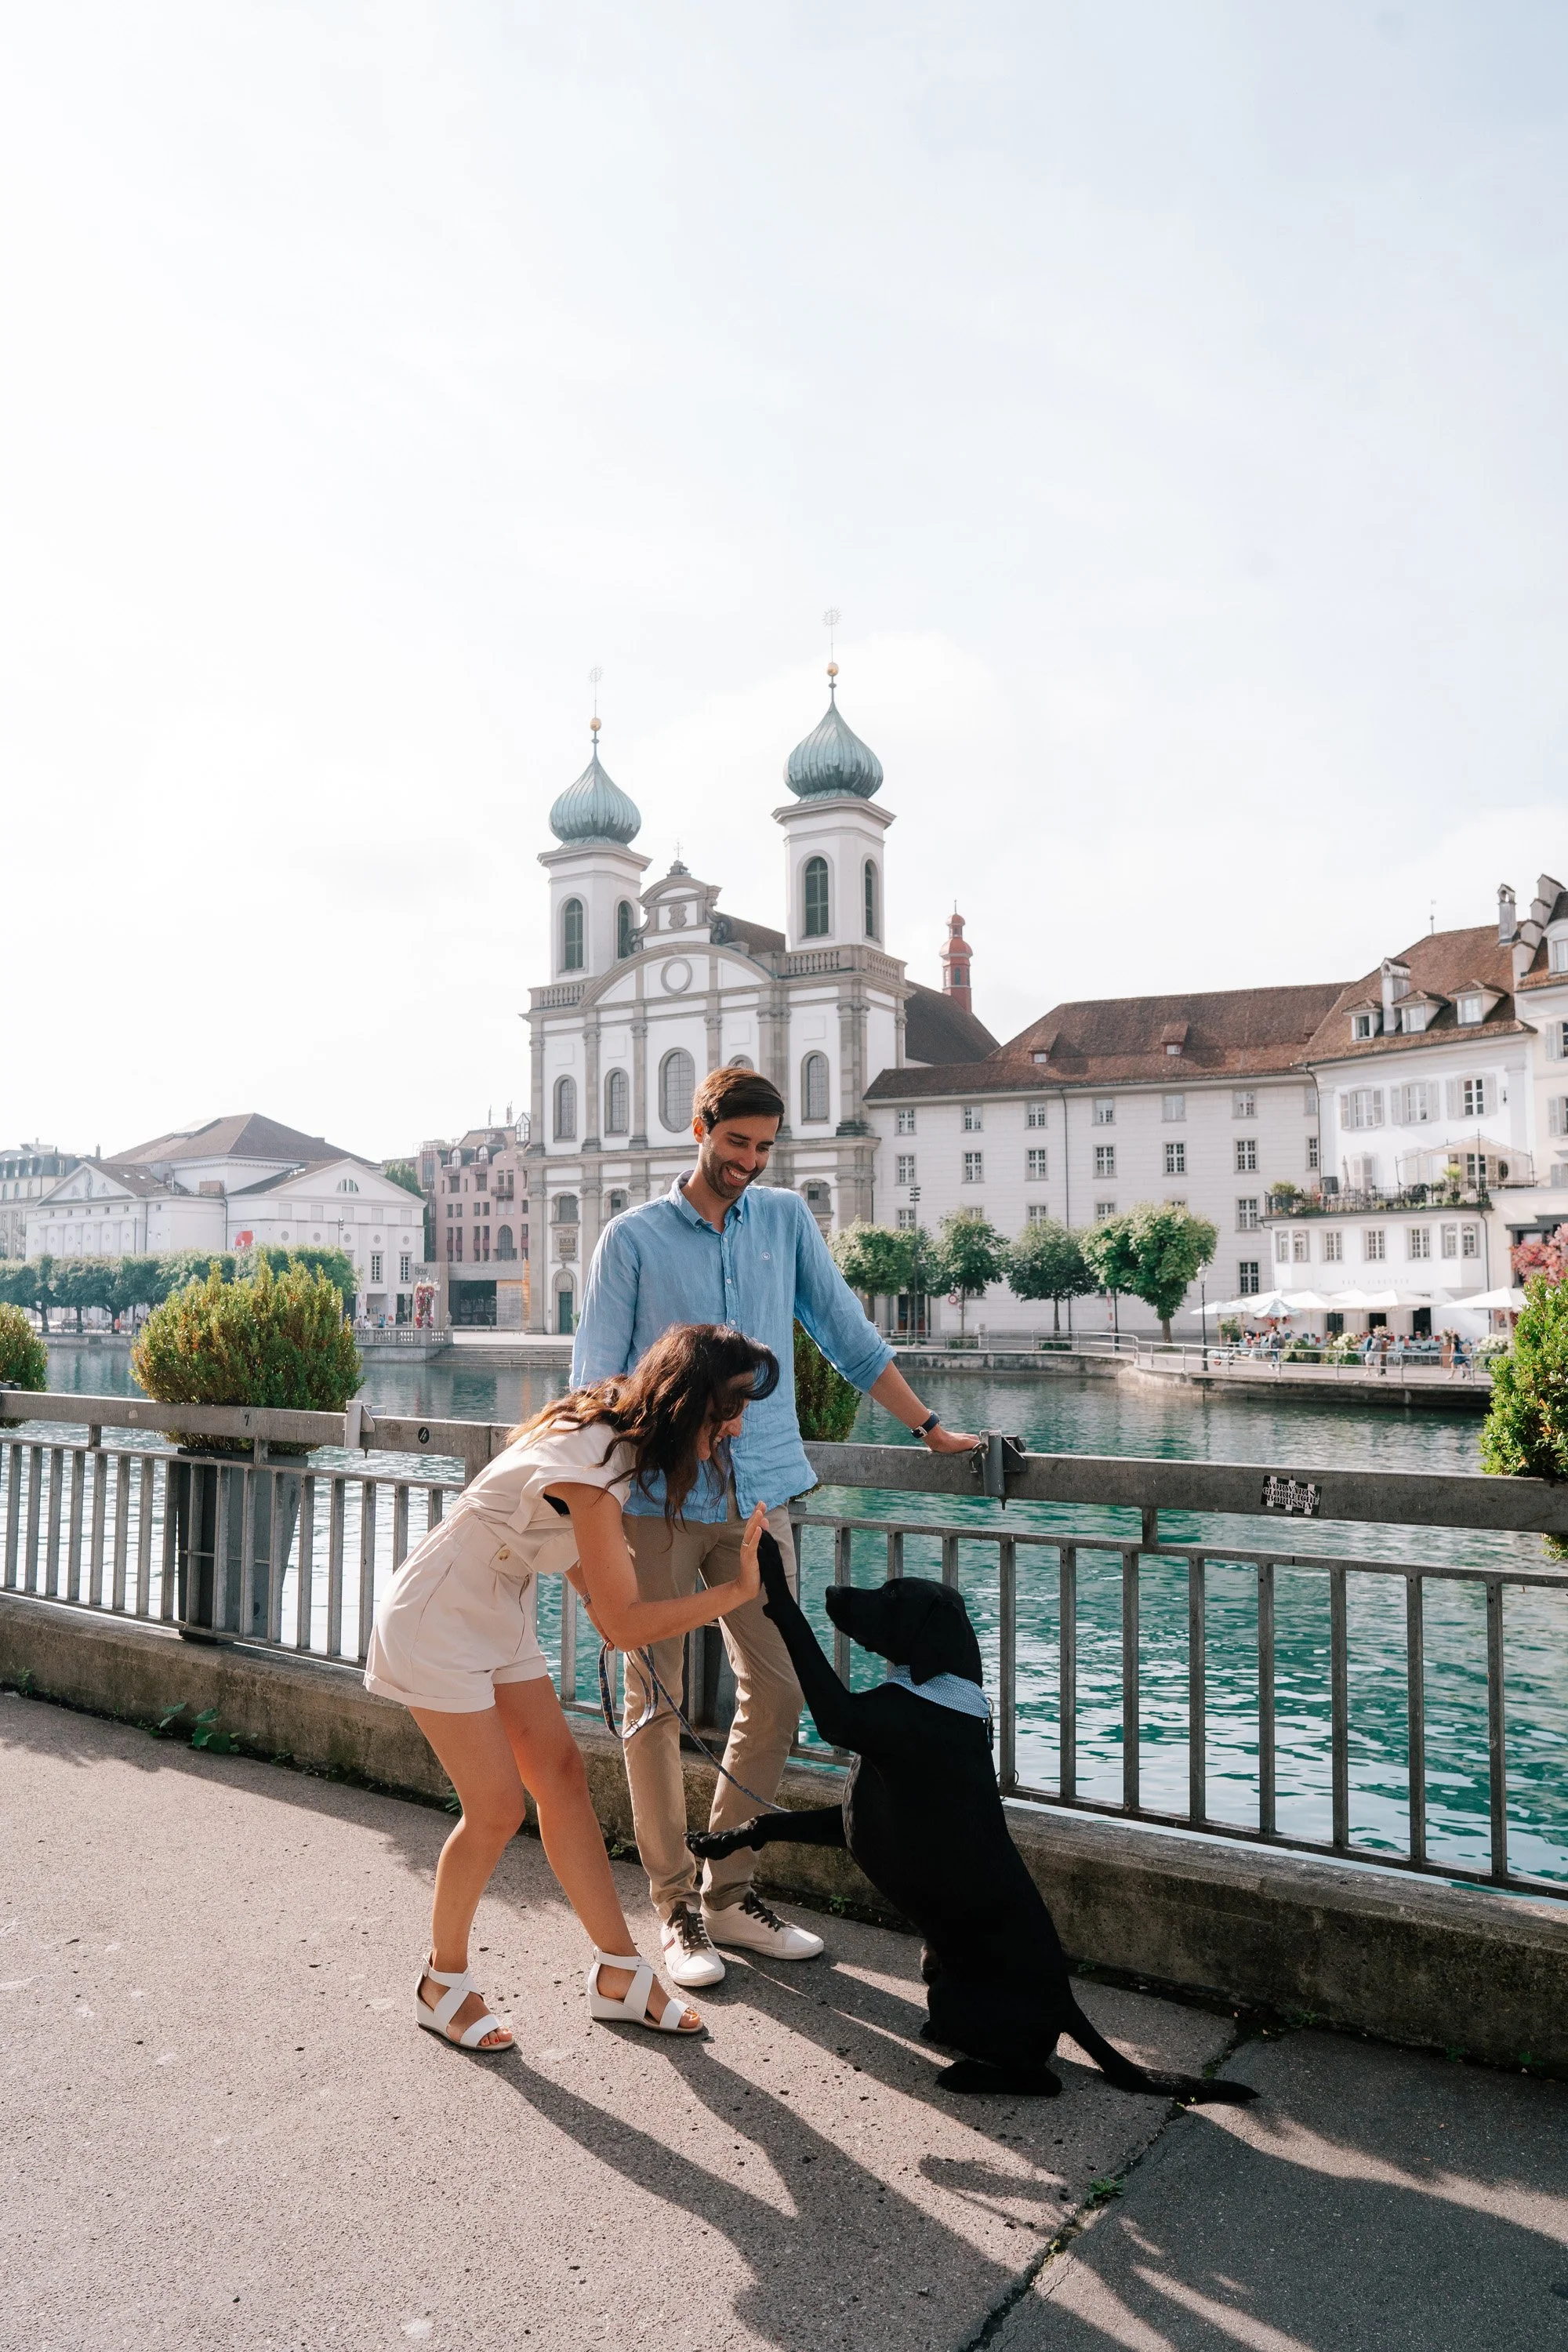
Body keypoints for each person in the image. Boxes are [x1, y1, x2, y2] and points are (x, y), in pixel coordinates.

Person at [572, 1064, 980, 1992]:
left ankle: (728, 1892)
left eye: (763, 1148)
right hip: (652, 1504)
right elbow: (595, 1380)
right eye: (735, 1145)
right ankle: (673, 1910)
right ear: (699, 1129)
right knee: (653, 1706)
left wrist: (926, 1426)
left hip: (758, 1497)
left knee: (784, 1688)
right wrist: (586, 1525)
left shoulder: (786, 1220)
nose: (748, 1164)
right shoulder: (630, 1239)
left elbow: (844, 1333)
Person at [364, 1322, 780, 2051]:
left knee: (561, 1779)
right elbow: (626, 1618)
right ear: (690, 1404)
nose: (738, 1425)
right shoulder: (600, 1461)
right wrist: (734, 1591)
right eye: (730, 1407)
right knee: (495, 1811)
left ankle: (619, 1972)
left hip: (495, 1604)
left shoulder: (610, 1429)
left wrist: (598, 1600)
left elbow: (569, 1551)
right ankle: (442, 1982)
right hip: (437, 1616)